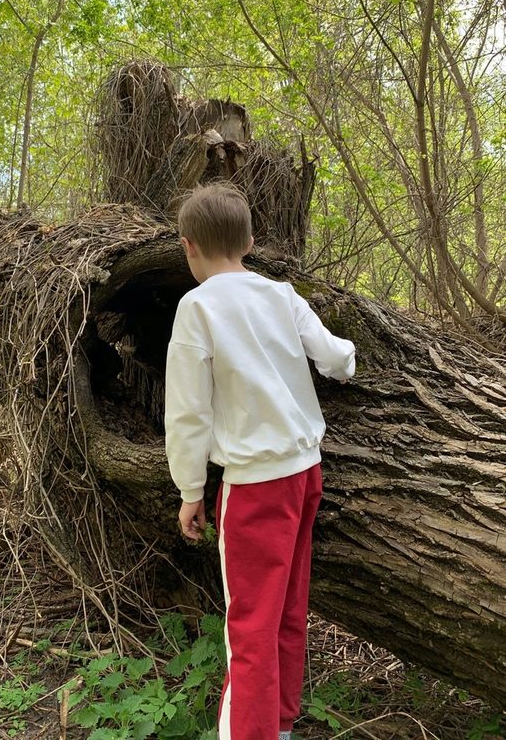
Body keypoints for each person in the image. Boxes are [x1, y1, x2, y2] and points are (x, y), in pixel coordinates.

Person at [164, 183, 356, 740]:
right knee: (289, 610)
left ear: (188, 247)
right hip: (305, 474)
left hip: (254, 486)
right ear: (249, 241)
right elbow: (334, 356)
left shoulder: (196, 307)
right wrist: (350, 360)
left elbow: (188, 412)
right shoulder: (281, 295)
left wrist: (190, 490)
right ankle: (280, 724)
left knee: (249, 627)